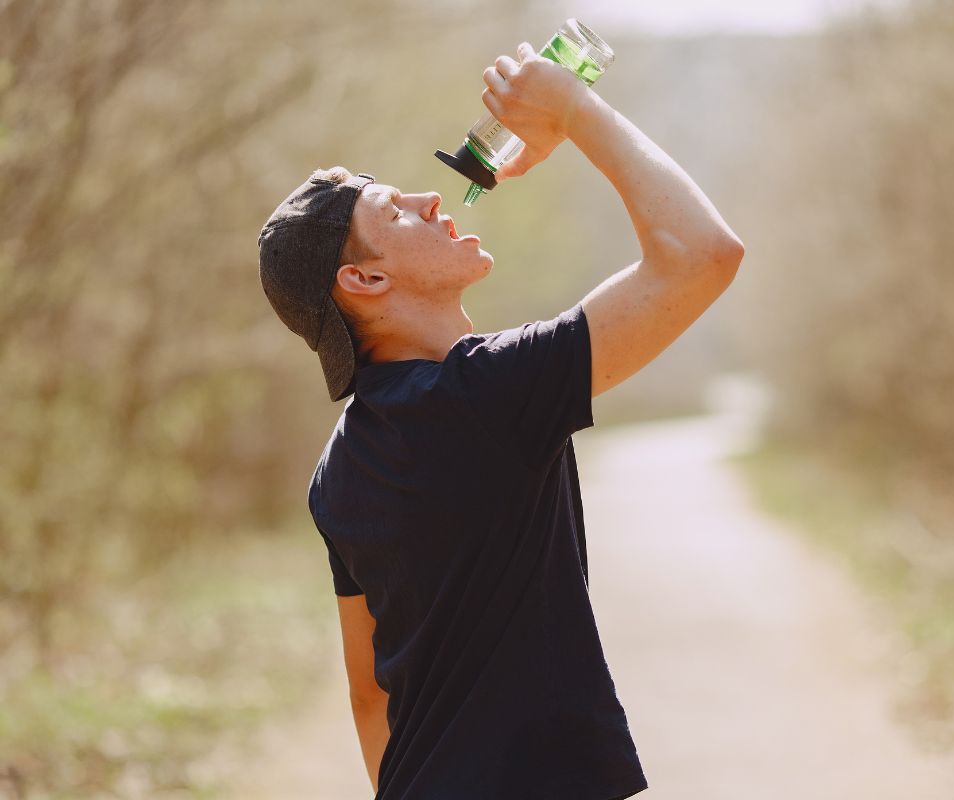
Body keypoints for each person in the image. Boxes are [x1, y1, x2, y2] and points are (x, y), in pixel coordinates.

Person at [257, 40, 742, 800]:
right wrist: (575, 111)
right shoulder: (485, 396)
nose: (429, 199)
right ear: (366, 278)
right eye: (394, 210)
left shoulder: (338, 470)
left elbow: (369, 696)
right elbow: (702, 254)